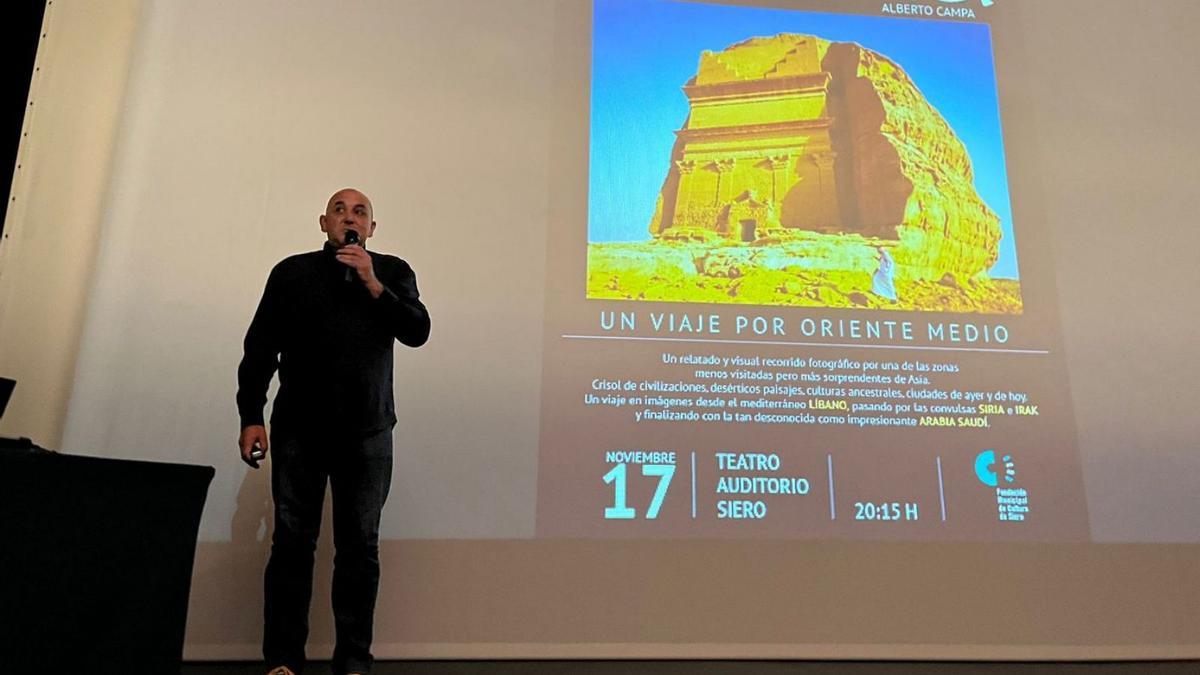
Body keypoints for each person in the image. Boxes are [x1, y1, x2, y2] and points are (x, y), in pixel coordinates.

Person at [236, 188, 430, 675]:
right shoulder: (291, 273)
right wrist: (251, 415)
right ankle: (283, 659)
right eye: (340, 210)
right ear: (323, 223)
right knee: (292, 545)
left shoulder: (392, 271)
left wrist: (372, 282)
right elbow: (260, 346)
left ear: (372, 228)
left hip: (367, 434)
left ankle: (353, 660)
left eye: (359, 212)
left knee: (360, 548)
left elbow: (417, 330)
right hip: (300, 430)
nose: (350, 218)